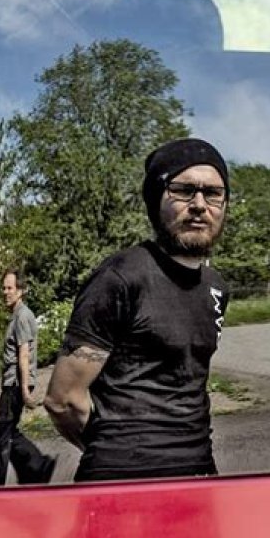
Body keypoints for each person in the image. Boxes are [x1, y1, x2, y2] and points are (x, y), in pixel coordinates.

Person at [44, 137, 230, 482]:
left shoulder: (216, 287)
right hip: (121, 482)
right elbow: (63, 399)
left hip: (200, 474)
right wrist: (117, 450)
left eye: (213, 193)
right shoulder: (120, 277)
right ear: (156, 199)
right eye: (183, 191)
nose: (199, 204)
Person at [0, 269, 56, 486]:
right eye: (4, 288)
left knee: (0, 437)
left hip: (15, 383)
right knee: (8, 432)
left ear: (21, 291)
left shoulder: (22, 316)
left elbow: (24, 354)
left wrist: (24, 389)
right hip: (13, 382)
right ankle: (38, 465)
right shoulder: (18, 315)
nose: (5, 292)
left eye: (10, 288)